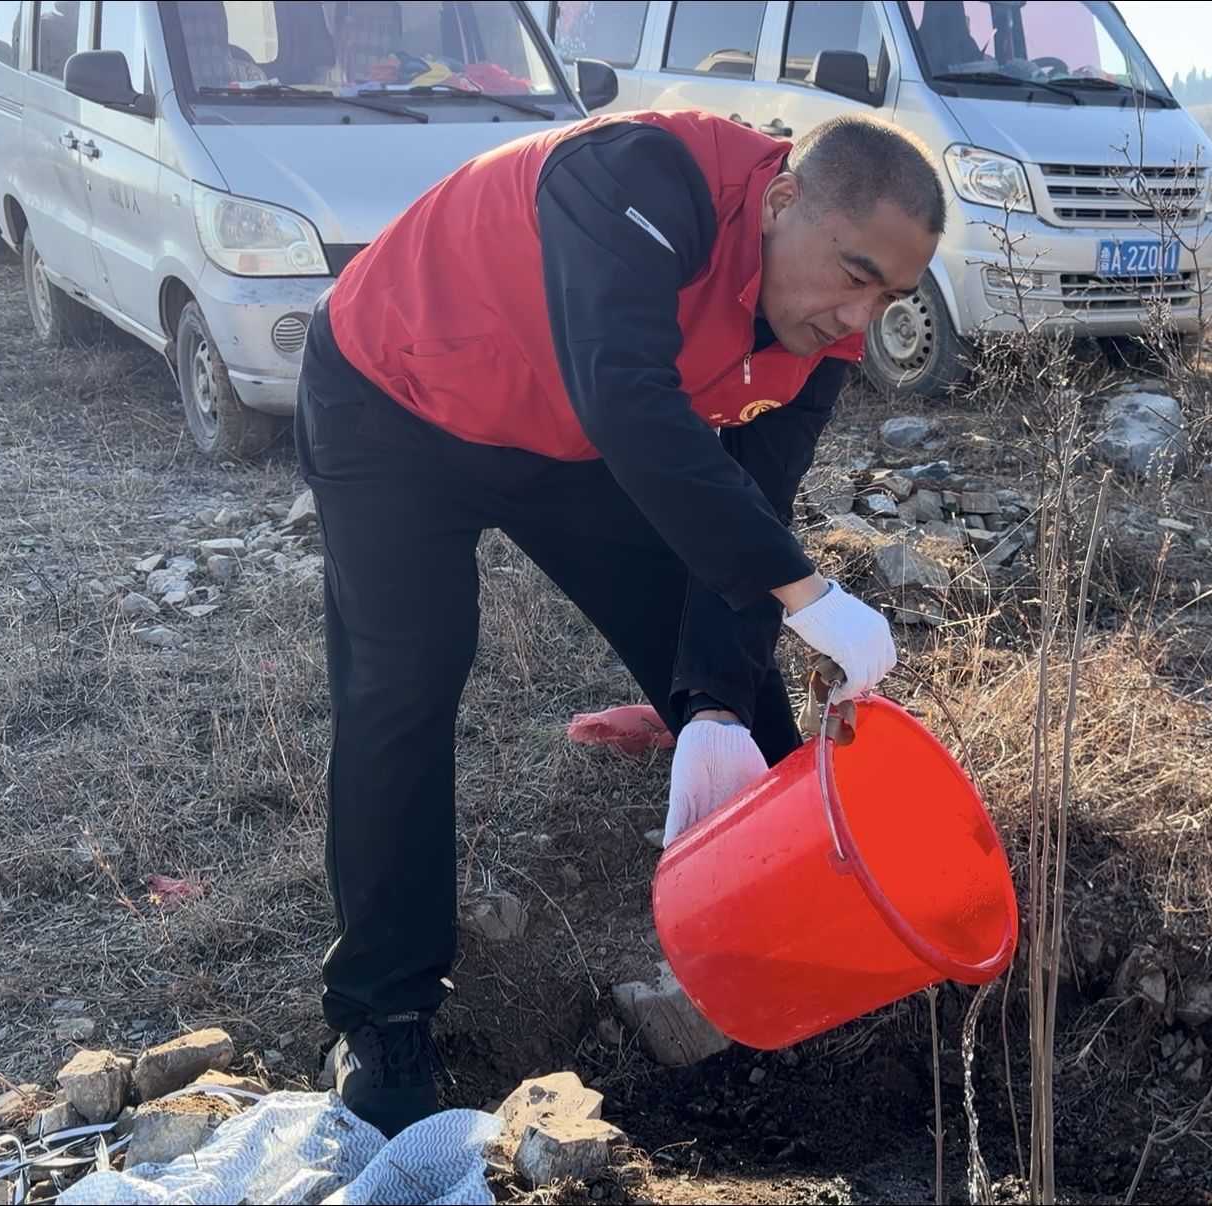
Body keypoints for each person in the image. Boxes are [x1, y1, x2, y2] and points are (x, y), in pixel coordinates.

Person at [295, 109, 944, 1136]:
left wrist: (718, 698)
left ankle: (802, 964)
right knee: (404, 681)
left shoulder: (819, 337)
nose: (859, 320)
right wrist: (810, 594)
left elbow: (748, 508)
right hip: (398, 399)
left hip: (566, 440)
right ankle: (382, 1015)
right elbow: (626, 397)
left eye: (890, 298)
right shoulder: (644, 175)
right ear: (782, 201)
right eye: (854, 273)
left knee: (739, 687)